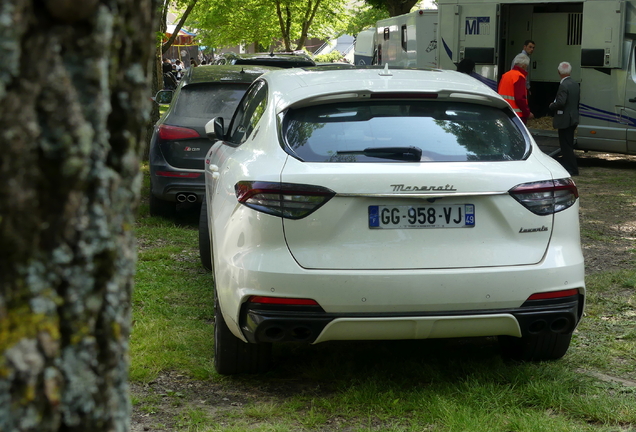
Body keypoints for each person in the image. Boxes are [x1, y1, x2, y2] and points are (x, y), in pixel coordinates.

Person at [550, 61, 580, 176]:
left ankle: (572, 168)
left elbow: (561, 102)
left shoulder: (563, 85)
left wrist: (552, 106)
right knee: (569, 144)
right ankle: (571, 167)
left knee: (565, 146)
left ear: (558, 72)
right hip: (573, 118)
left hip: (565, 119)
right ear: (570, 71)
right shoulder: (575, 83)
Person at [498, 54, 534, 123]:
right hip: (517, 116)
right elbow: (520, 98)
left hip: (505, 112)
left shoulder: (505, 75)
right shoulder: (519, 76)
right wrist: (527, 113)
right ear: (524, 65)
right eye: (526, 65)